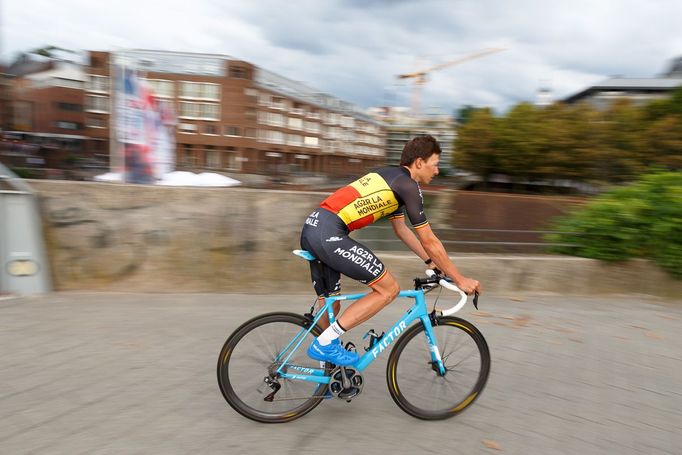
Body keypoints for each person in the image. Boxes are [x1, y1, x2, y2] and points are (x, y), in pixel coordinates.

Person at [300, 134, 481, 366]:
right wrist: (459, 279)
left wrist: (430, 262)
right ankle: (323, 344)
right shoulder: (408, 186)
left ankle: (325, 376)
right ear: (419, 162)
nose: (437, 171)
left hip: (313, 227)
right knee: (388, 289)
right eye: (435, 165)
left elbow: (401, 229)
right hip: (328, 233)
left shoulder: (389, 178)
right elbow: (429, 239)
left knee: (331, 304)